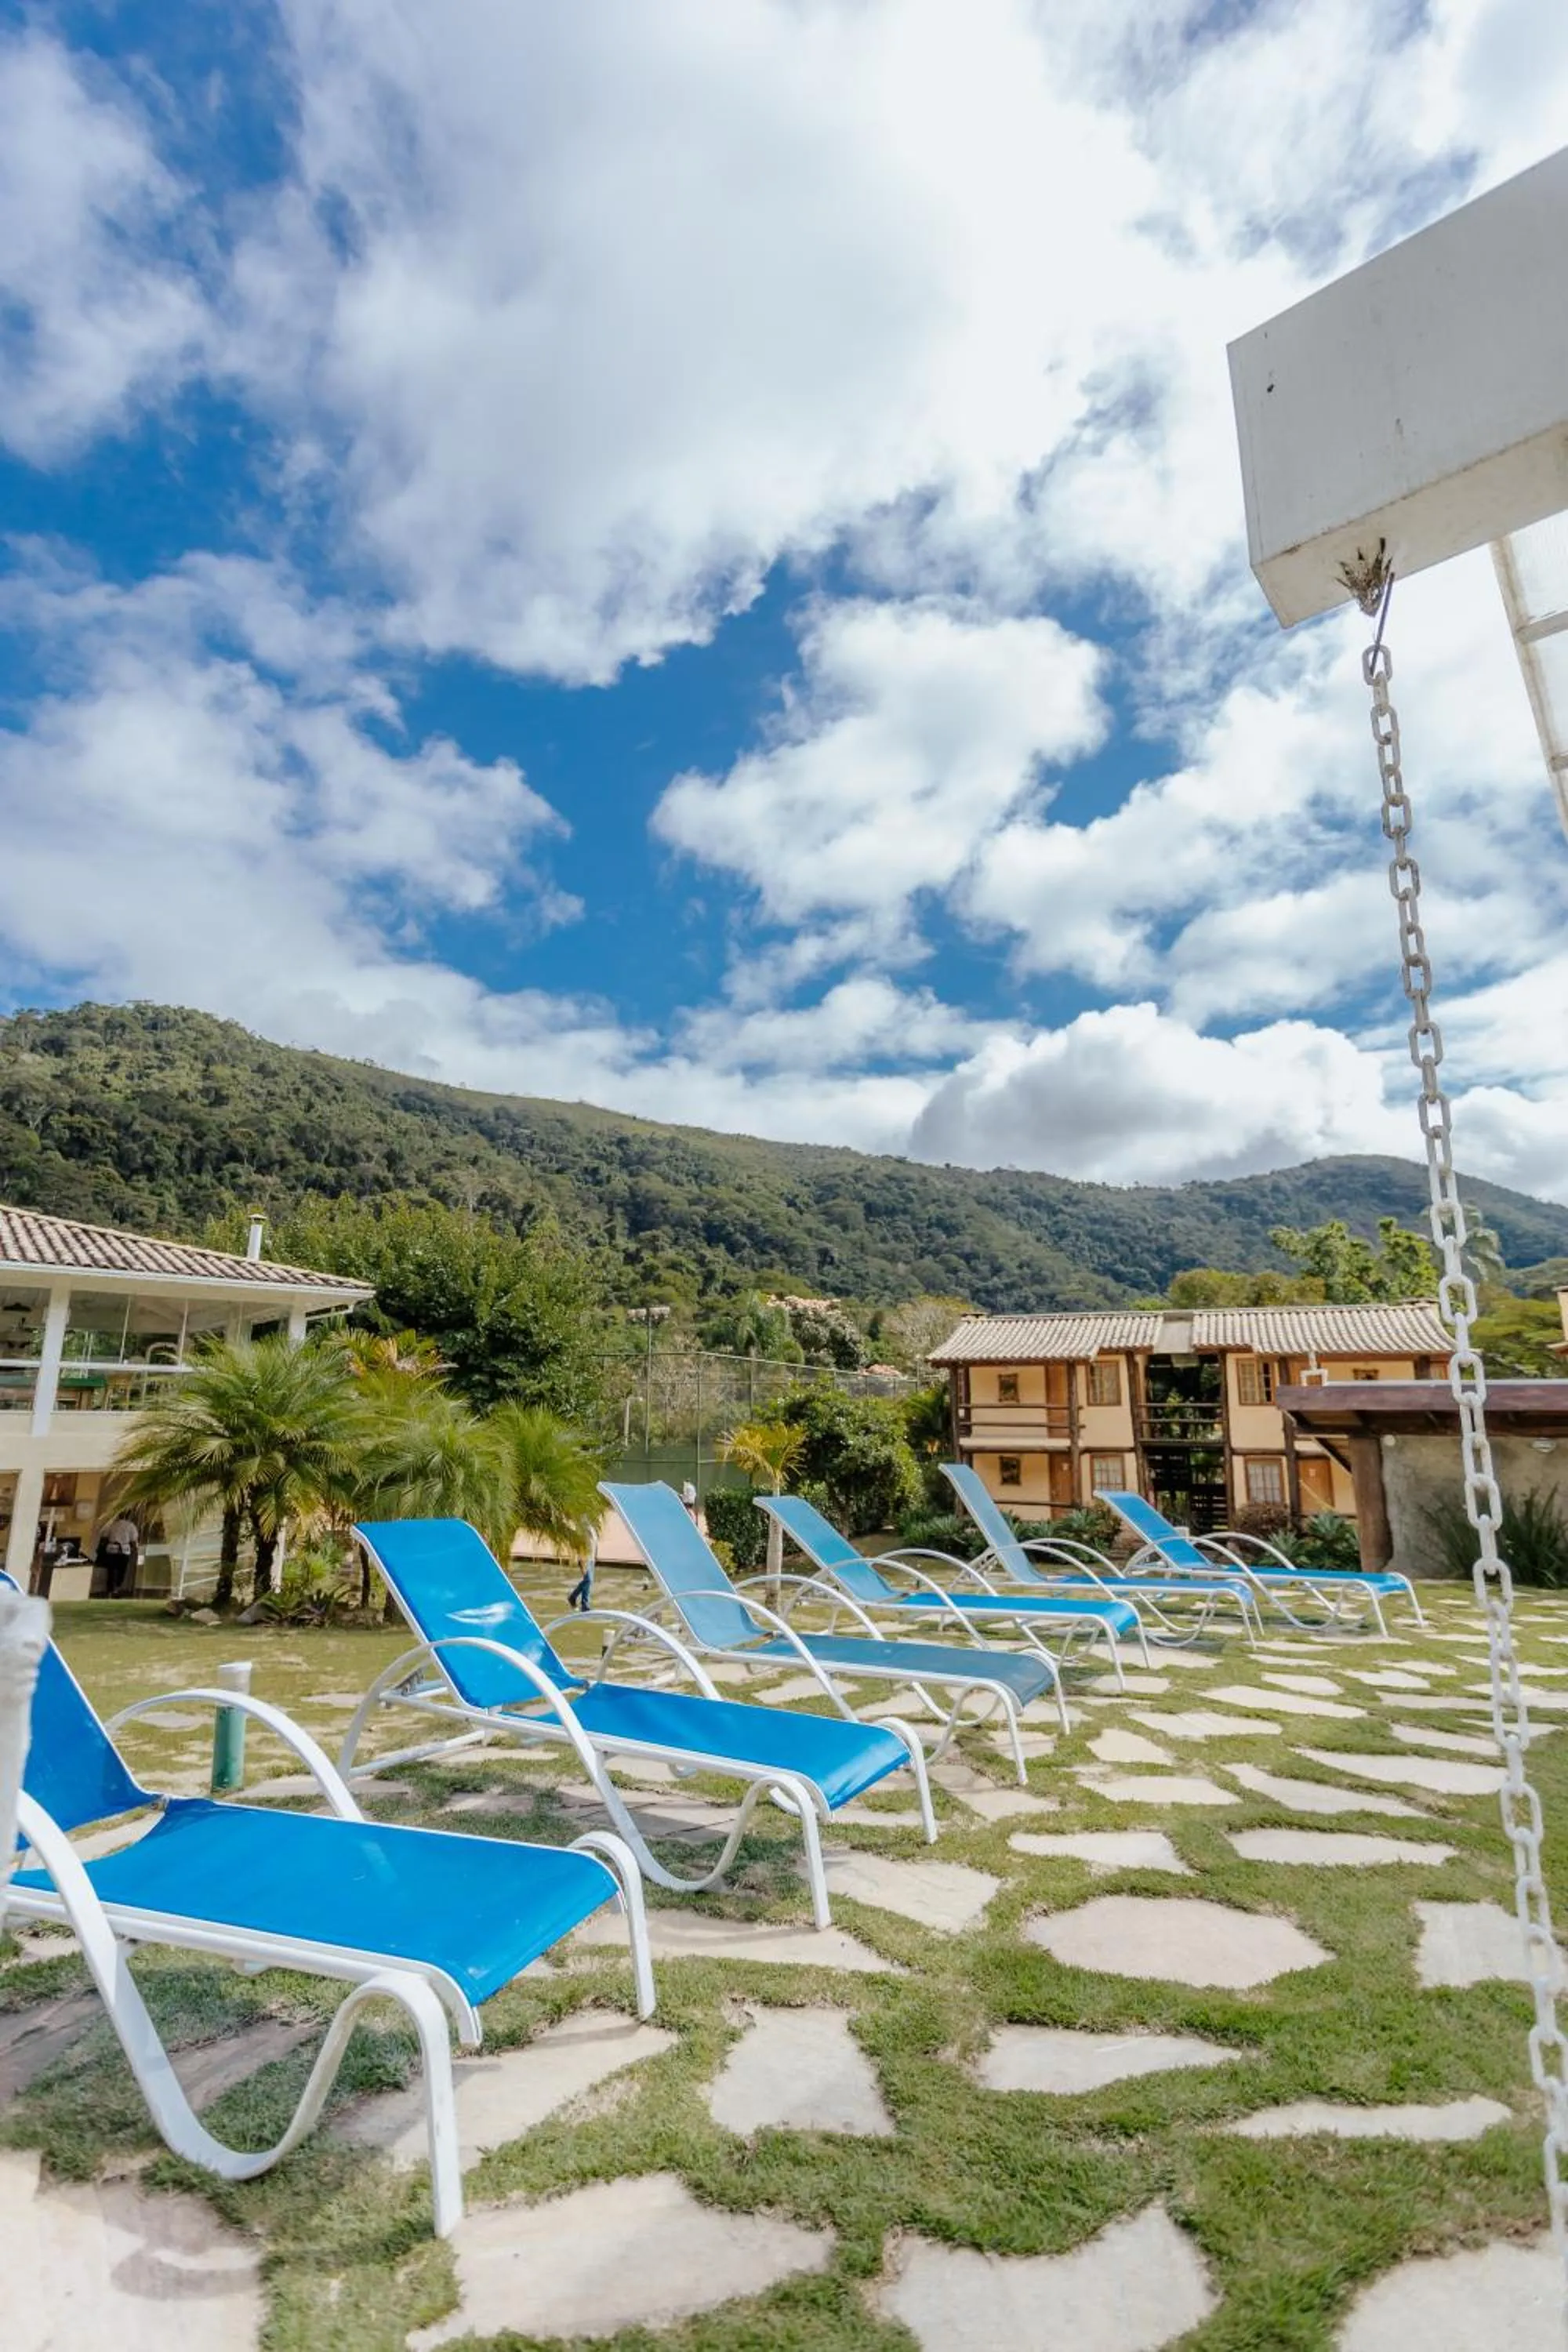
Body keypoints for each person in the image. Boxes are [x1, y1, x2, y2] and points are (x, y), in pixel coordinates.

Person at [96, 1514, 140, 1599]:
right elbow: (134, 1540)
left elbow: (105, 1537)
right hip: (124, 1550)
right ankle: (117, 1587)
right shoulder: (131, 1526)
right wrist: (136, 1549)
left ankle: (110, 1589)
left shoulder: (112, 1525)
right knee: (122, 1570)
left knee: (112, 1570)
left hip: (112, 1549)